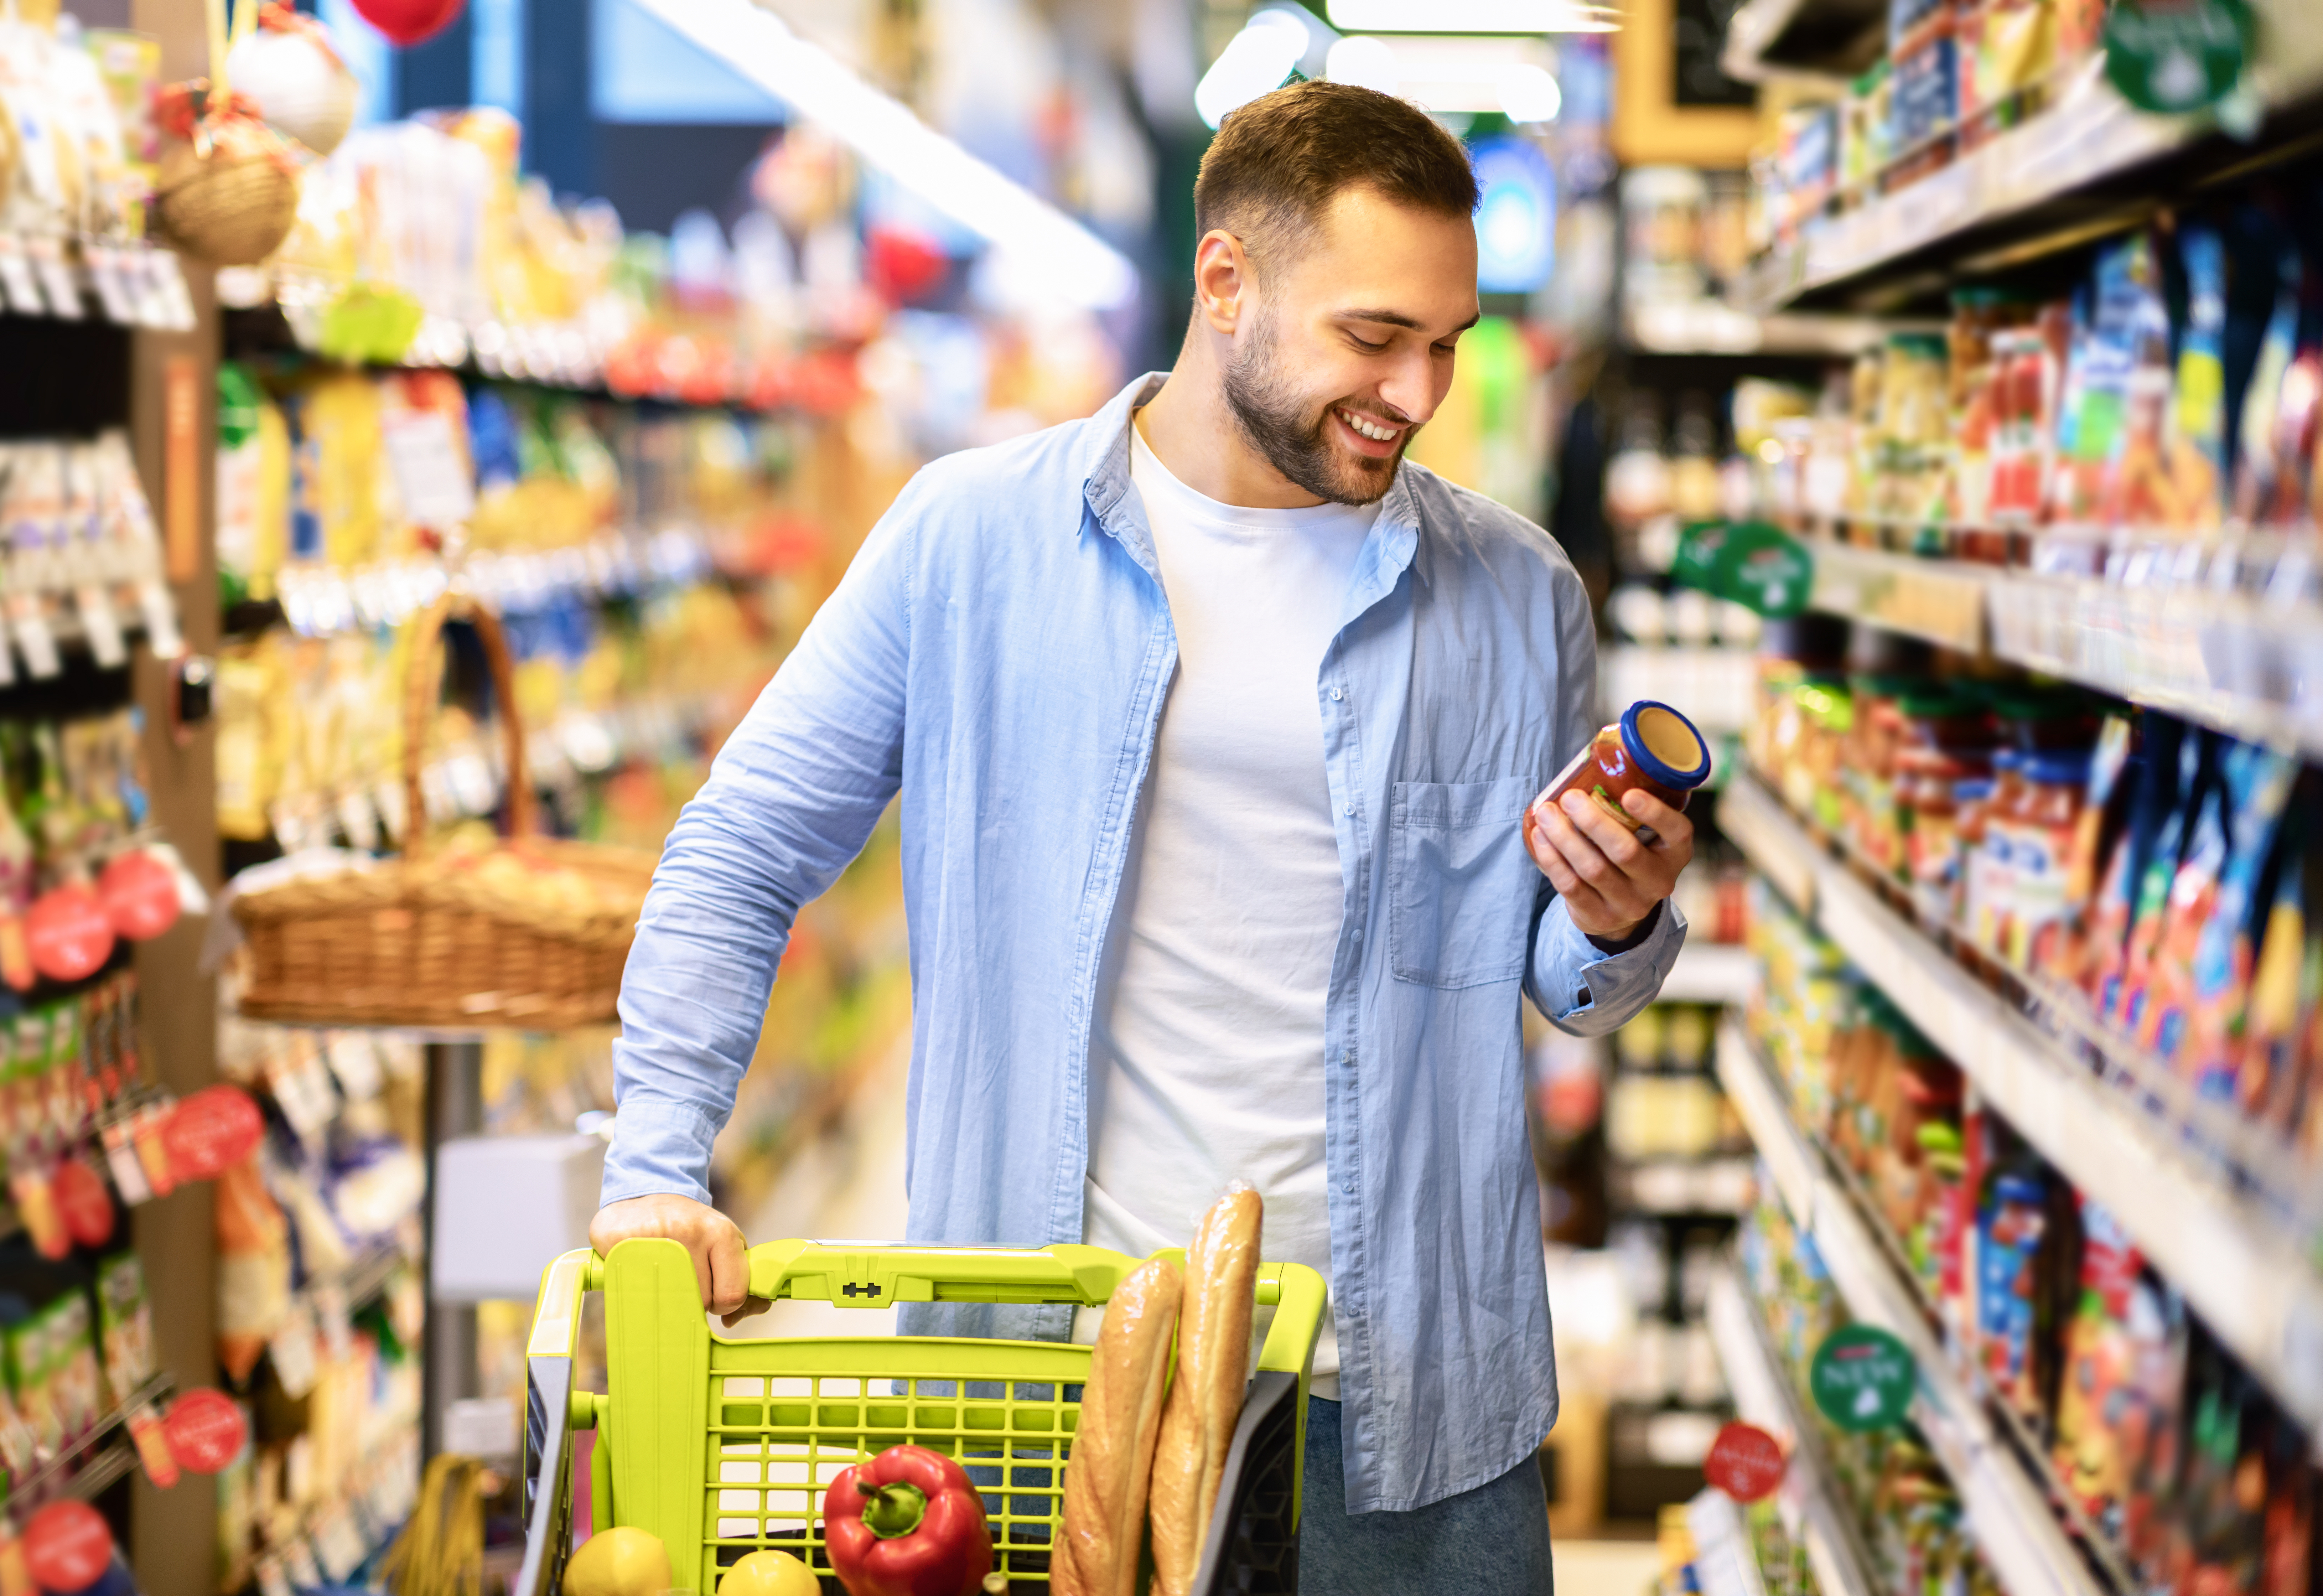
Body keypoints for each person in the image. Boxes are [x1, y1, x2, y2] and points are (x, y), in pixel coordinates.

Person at [591, 81, 1692, 1594]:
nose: (1419, 392)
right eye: (1374, 338)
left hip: (1412, 1408)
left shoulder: (1517, 592)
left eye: (1448, 345)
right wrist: (656, 1165)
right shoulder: (972, 540)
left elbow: (1566, 978)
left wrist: (1620, 921)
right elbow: (744, 846)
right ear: (1225, 282)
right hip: (1041, 1385)